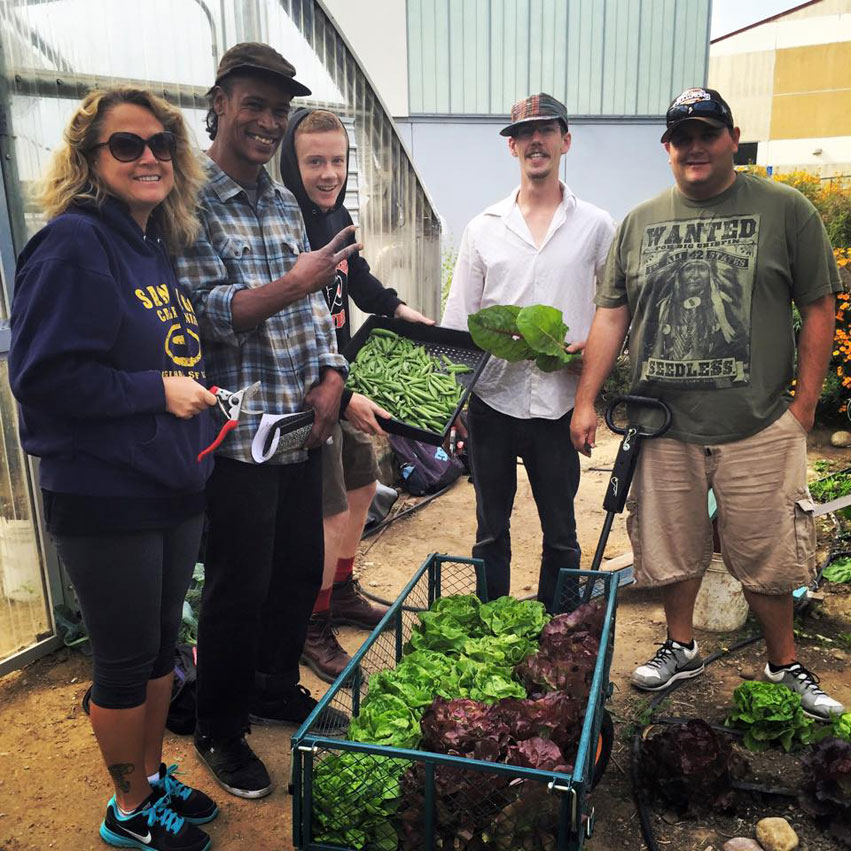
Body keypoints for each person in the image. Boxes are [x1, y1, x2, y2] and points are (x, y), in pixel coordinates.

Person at [570, 87, 846, 721]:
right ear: (668, 148)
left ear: (731, 138)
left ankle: (784, 661)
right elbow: (612, 313)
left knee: (769, 551)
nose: (694, 146)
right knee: (670, 543)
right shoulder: (640, 221)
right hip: (663, 422)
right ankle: (680, 644)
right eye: (681, 137)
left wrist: (802, 409)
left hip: (758, 425)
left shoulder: (786, 209)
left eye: (706, 133)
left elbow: (818, 306)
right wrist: (586, 402)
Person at [10, 87, 219, 851]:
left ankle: (152, 773)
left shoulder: (147, 244)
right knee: (126, 661)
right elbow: (42, 377)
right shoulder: (71, 244)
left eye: (160, 141)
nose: (149, 156)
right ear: (88, 160)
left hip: (169, 482)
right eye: (125, 144)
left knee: (163, 648)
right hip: (104, 491)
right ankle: (128, 808)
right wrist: (155, 391)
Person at [174, 43, 357, 800]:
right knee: (237, 585)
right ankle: (218, 724)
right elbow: (211, 315)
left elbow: (316, 311)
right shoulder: (191, 201)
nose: (266, 122)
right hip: (239, 435)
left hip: (299, 423)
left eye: (277, 110)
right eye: (254, 104)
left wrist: (333, 377)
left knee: (293, 574)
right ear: (218, 103)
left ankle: (272, 686)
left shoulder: (283, 201)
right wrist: (297, 279)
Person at [442, 93, 615, 610]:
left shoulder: (597, 226)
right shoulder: (484, 228)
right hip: (493, 402)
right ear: (512, 147)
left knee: (561, 530)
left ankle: (555, 631)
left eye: (547, 131)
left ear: (565, 140)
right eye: (524, 134)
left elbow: (614, 310)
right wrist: (453, 403)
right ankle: (492, 628)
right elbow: (459, 321)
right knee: (490, 529)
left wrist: (595, 359)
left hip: (561, 404)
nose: (535, 141)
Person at [280, 108, 433, 681]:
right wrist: (342, 400)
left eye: (337, 160)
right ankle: (311, 626)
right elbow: (294, 328)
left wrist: (396, 308)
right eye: (314, 161)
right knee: (329, 509)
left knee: (364, 484)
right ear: (291, 165)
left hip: (345, 373)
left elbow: (358, 276)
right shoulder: (287, 223)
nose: (328, 173)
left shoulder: (335, 214)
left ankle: (340, 590)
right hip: (309, 392)